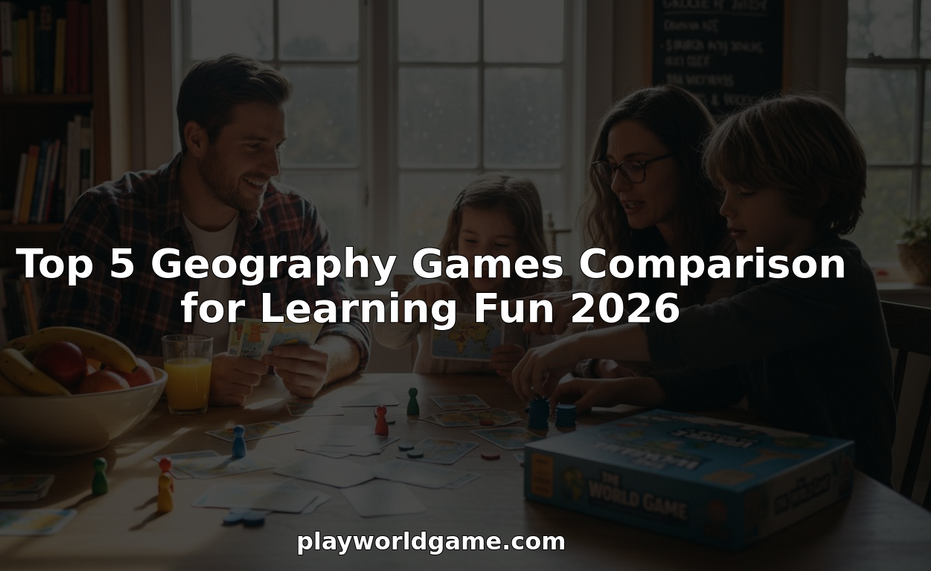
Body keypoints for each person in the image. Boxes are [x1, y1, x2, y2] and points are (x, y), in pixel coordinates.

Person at [511, 94, 897, 485]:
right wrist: (619, 390)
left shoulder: (835, 272)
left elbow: (714, 329)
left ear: (815, 194)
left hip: (850, 487)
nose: (726, 207)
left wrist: (579, 345)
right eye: (724, 190)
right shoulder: (759, 266)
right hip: (781, 467)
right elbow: (720, 381)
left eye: (745, 192)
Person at [39, 54, 370, 405]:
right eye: (254, 146)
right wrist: (192, 377)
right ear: (196, 139)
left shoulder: (295, 216)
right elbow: (71, 358)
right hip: (143, 429)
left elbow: (349, 327)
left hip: (259, 427)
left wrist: (326, 362)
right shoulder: (108, 214)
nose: (274, 167)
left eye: (277, 147)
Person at [529, 84, 736, 378]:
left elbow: (708, 368)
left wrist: (604, 321)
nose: (617, 185)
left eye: (636, 165)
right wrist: (601, 364)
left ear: (690, 161)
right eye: (612, 167)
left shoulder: (734, 244)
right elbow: (580, 351)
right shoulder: (631, 243)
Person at [374, 173, 556, 378]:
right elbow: (386, 337)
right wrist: (412, 299)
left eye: (500, 244)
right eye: (471, 241)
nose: (483, 256)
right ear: (455, 239)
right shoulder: (435, 285)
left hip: (502, 398)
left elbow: (547, 369)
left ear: (525, 248)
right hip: (433, 398)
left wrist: (526, 364)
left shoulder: (536, 296)